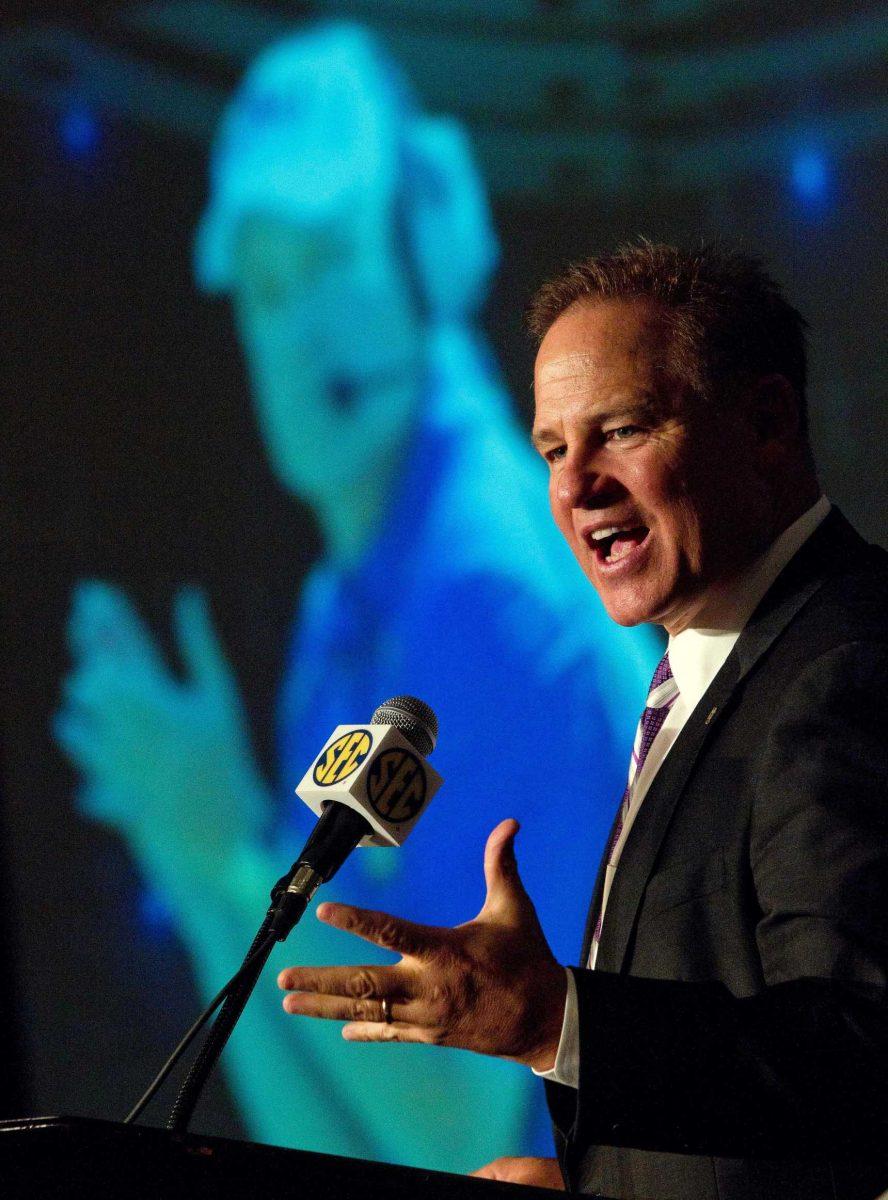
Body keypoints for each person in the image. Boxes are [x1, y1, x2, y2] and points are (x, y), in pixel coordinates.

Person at [53, 25, 656, 1171]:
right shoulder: (355, 589)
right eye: (267, 290)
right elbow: (321, 1120)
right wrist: (195, 861)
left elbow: (452, 1132)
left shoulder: (479, 592)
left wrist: (223, 840)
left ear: (423, 251)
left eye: (329, 260)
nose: (298, 332)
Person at [276, 242, 888, 1200]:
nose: (572, 488)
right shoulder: (709, 681)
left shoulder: (847, 663)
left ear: (766, 422)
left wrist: (556, 1018)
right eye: (554, 449)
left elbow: (863, 1054)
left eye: (624, 431)